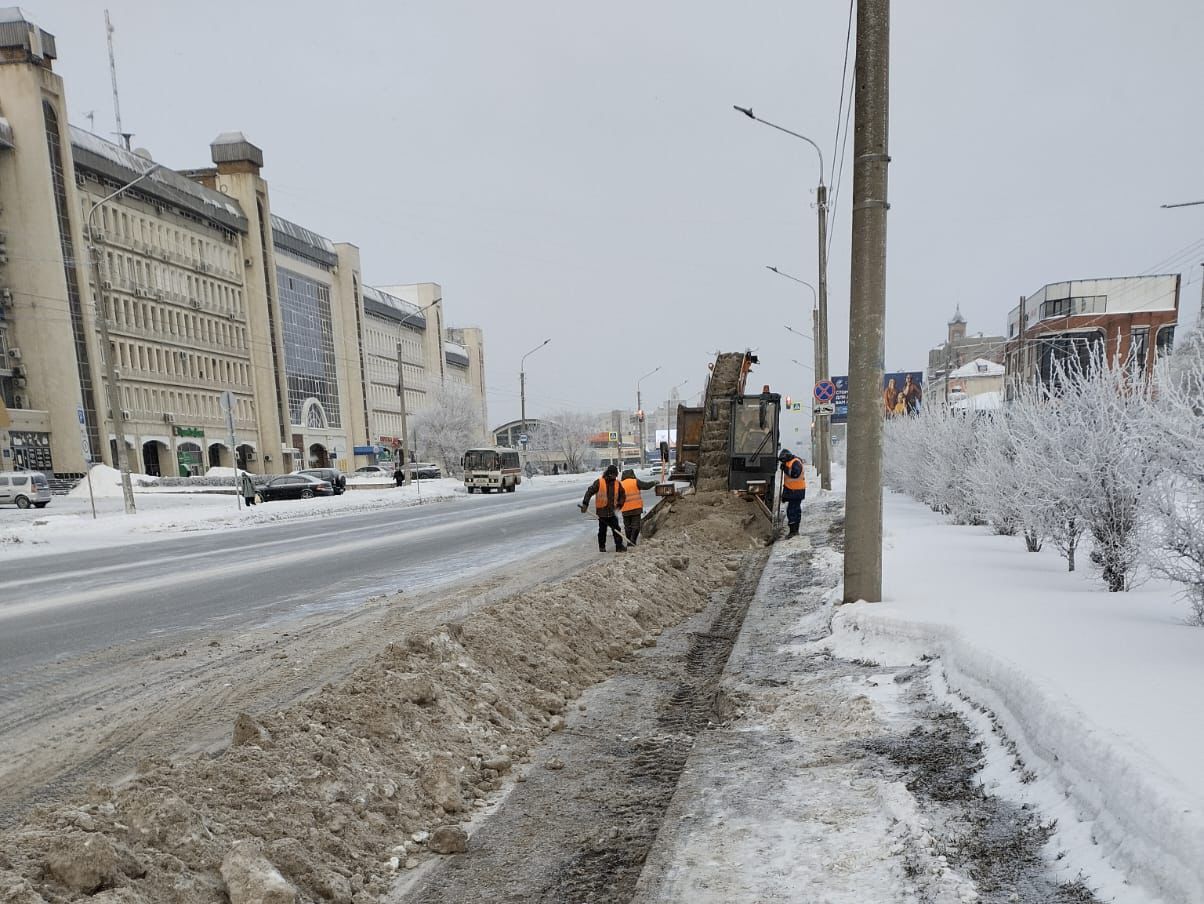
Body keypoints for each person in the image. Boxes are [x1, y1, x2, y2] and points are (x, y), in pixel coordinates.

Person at [580, 464, 627, 552]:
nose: (614, 477)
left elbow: (622, 495)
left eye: (616, 475)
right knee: (602, 530)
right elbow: (589, 492)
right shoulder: (599, 482)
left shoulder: (617, 484)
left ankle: (619, 546)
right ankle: (602, 547)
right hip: (602, 512)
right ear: (609, 474)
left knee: (616, 529)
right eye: (613, 475)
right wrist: (585, 503)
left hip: (612, 512)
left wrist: (619, 505)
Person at [619, 468, 657, 546]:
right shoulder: (635, 481)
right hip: (636, 508)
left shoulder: (620, 484)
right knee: (636, 526)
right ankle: (633, 541)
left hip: (625, 509)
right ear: (632, 475)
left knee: (627, 527)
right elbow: (646, 486)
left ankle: (629, 541)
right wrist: (654, 482)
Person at [778, 448, 807, 537]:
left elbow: (795, 474)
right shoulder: (789, 462)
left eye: (783, 460)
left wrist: (785, 469)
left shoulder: (795, 462)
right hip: (793, 491)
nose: (783, 462)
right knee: (794, 509)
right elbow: (787, 482)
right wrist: (785, 495)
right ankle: (794, 530)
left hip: (797, 491)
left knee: (792, 510)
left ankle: (793, 531)